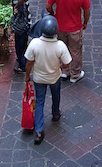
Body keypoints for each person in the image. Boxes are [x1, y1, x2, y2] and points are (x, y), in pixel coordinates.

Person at [24, 16, 72, 145]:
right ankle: (55, 113)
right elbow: (67, 64)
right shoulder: (60, 46)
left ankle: (39, 130)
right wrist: (60, 66)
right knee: (56, 96)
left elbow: (29, 63)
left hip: (38, 78)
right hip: (54, 77)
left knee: (39, 102)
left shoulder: (34, 43)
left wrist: (27, 76)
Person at [46, 0, 90, 83]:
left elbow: (48, 6)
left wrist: (53, 14)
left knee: (62, 49)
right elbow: (86, 11)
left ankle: (64, 71)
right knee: (75, 51)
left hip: (60, 26)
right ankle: (75, 73)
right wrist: (85, 23)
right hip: (75, 27)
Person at [3, 0, 30, 72]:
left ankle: (22, 66)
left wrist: (16, 7)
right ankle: (25, 61)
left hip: (20, 24)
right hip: (27, 21)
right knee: (24, 44)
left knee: (19, 45)